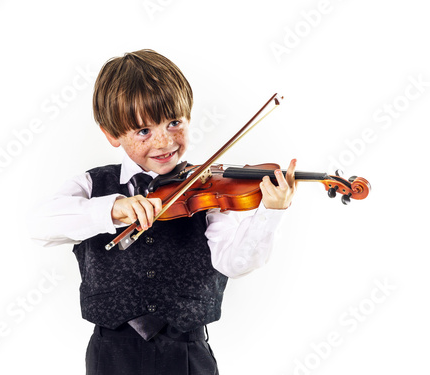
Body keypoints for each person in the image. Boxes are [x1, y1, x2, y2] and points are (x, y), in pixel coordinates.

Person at [28, 49, 297, 375]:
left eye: (174, 123)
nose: (164, 141)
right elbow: (40, 225)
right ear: (112, 134)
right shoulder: (92, 184)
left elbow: (234, 262)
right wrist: (112, 209)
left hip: (186, 355)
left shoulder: (207, 190)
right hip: (110, 354)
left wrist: (270, 212)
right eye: (144, 131)